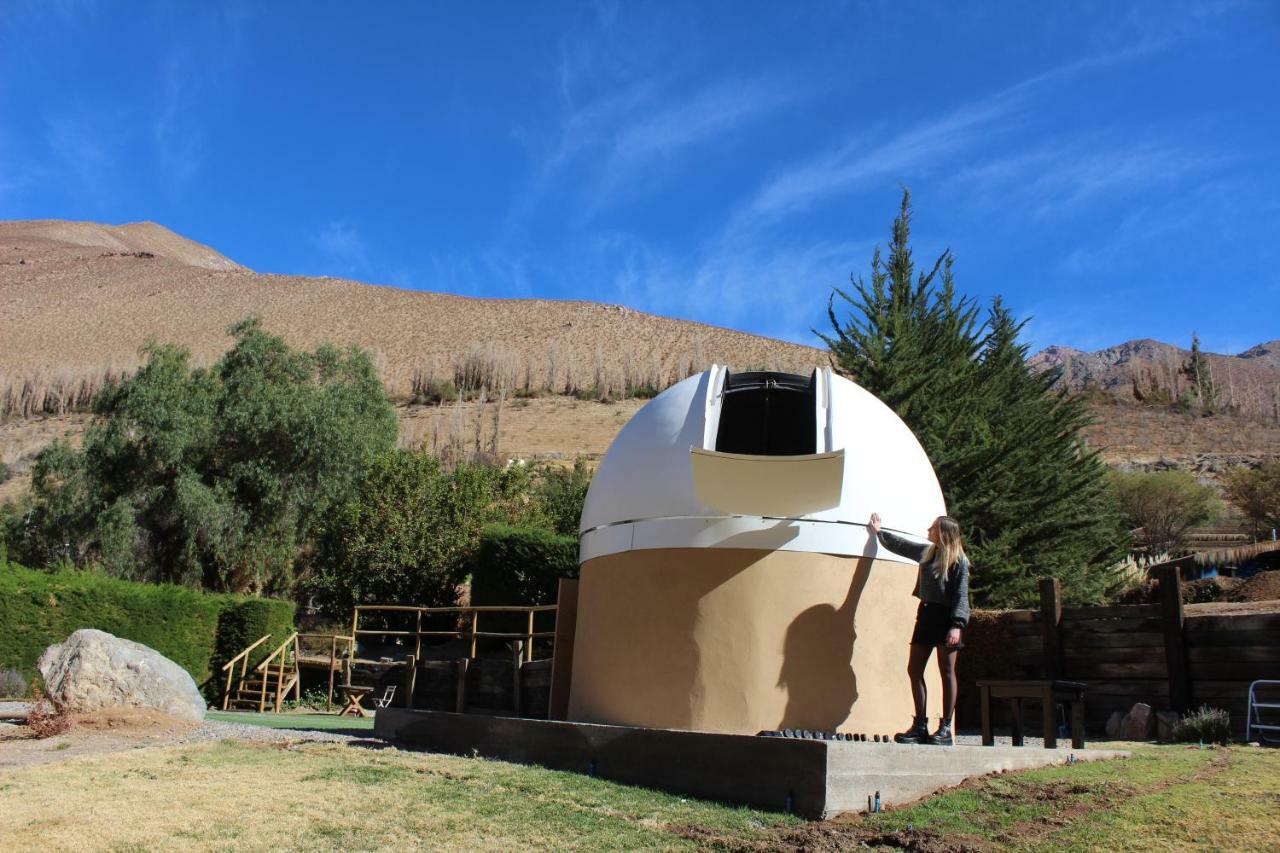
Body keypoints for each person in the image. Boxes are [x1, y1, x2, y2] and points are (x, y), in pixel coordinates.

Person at [866, 512, 971, 745]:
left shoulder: (959, 561)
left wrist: (957, 625)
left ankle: (945, 728)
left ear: (943, 533)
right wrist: (879, 532)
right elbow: (902, 545)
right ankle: (920, 725)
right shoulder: (927, 553)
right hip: (926, 615)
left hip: (947, 619)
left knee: (947, 673)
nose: (928, 530)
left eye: (933, 528)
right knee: (914, 670)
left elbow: (961, 595)